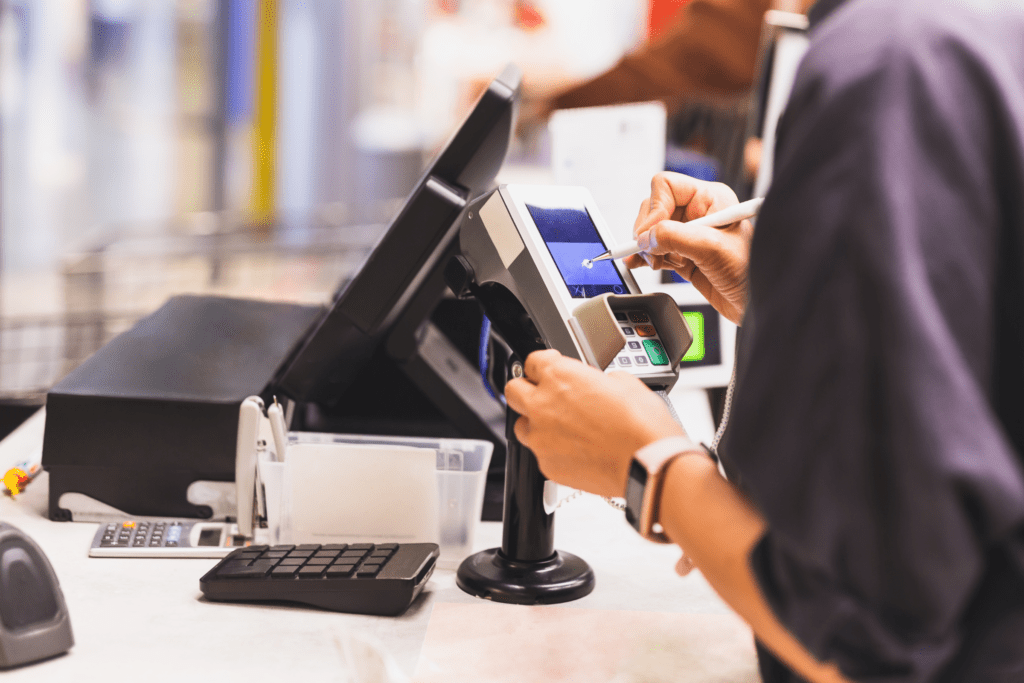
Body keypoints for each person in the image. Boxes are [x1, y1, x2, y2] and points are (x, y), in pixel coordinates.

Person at [504, 0, 1024, 681]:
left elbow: (866, 645)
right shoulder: (985, 33)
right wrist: (794, 301)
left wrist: (648, 465)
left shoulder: (891, 66)